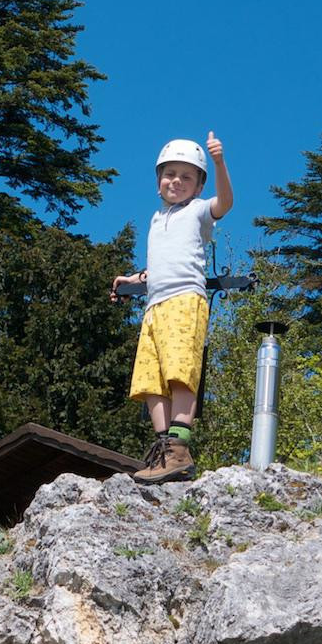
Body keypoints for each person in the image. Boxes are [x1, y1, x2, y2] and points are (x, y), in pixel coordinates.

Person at [111, 132, 235, 484]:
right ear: (158, 181)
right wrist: (133, 280)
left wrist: (219, 162)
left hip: (184, 301)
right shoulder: (156, 220)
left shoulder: (198, 211)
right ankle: (163, 448)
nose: (176, 181)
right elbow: (160, 266)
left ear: (199, 186)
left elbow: (225, 203)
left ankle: (179, 449)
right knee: (150, 380)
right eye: (170, 174)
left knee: (180, 374)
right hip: (154, 307)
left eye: (186, 176)